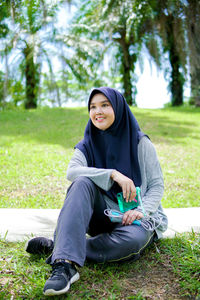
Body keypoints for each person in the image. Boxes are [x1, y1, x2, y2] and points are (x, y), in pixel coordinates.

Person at [26, 87, 168, 296]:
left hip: (136, 219)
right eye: (92, 107)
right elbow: (72, 172)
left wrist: (141, 210)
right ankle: (64, 265)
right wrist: (112, 174)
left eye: (104, 105)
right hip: (102, 216)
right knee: (82, 182)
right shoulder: (87, 144)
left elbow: (156, 185)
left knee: (132, 242)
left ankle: (61, 246)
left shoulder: (140, 142)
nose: (97, 111)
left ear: (118, 108)